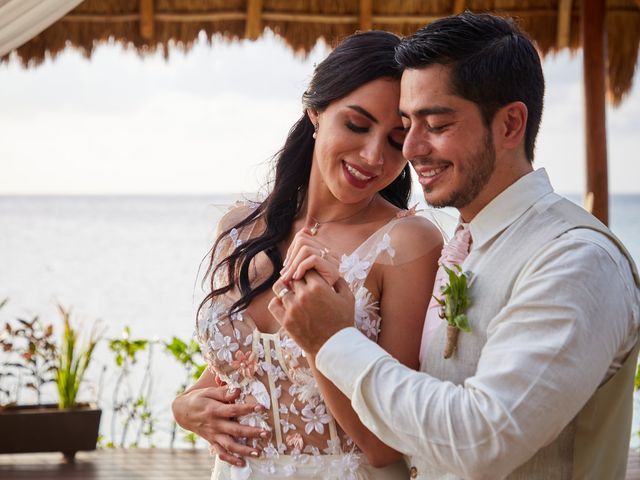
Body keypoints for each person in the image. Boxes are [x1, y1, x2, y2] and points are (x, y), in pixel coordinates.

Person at [268, 12, 640, 480]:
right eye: (408, 124)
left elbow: (482, 440)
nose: (409, 150)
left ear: (509, 125)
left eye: (436, 125)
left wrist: (333, 340)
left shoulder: (577, 261)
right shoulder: (469, 240)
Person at [172, 30, 444, 479]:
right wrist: (184, 406)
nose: (374, 155)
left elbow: (388, 445)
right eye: (357, 125)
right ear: (315, 112)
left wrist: (323, 341)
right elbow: (250, 370)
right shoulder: (238, 230)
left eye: (396, 140)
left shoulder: (407, 244)